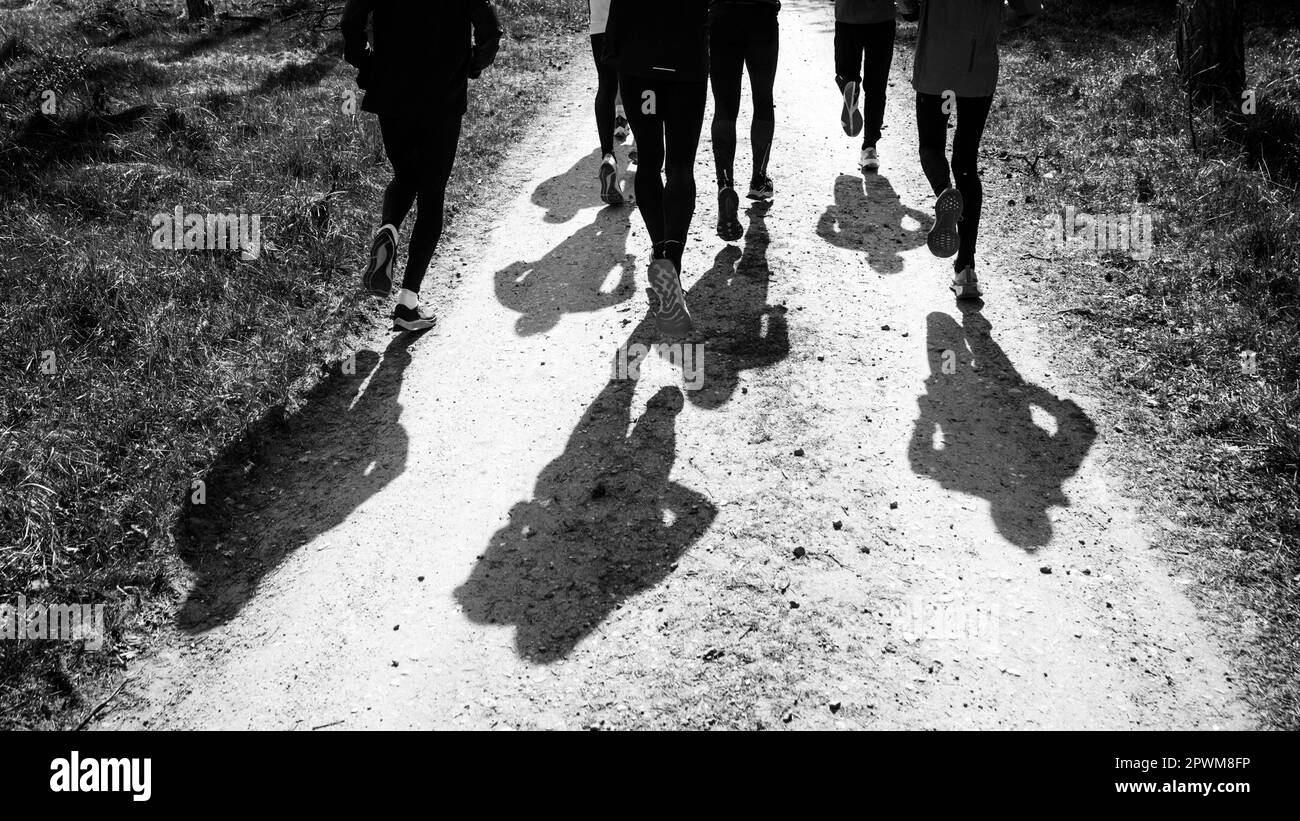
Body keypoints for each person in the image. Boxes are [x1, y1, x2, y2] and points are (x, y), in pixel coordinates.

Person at [342, 0, 503, 331]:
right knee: (432, 194)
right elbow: (489, 28)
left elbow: (351, 19)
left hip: (391, 89)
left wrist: (366, 61)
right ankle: (408, 303)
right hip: (442, 93)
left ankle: (388, 229)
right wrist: (473, 64)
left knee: (405, 176)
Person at [909, 0, 1039, 299]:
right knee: (966, 160)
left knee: (931, 146)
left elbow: (906, 5)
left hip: (936, 72)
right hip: (976, 71)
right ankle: (966, 270)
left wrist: (913, 12)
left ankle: (944, 193)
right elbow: (1029, 9)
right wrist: (994, 21)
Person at [605, 0, 709, 337]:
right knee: (680, 165)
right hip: (686, 54)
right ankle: (672, 263)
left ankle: (660, 250)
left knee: (650, 160)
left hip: (638, 55)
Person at [709, 0, 780, 243]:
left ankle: (725, 184)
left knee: (725, 108)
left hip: (722, 15)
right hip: (762, 13)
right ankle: (759, 179)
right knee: (763, 97)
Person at [834, 0, 899, 175]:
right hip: (882, 19)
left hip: (847, 16)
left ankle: (850, 87)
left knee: (846, 73)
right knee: (876, 86)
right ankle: (869, 148)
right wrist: (910, 9)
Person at [590, 0, 627, 205]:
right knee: (635, 84)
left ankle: (608, 156)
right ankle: (643, 148)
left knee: (606, 85)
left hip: (600, 21)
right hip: (633, 20)